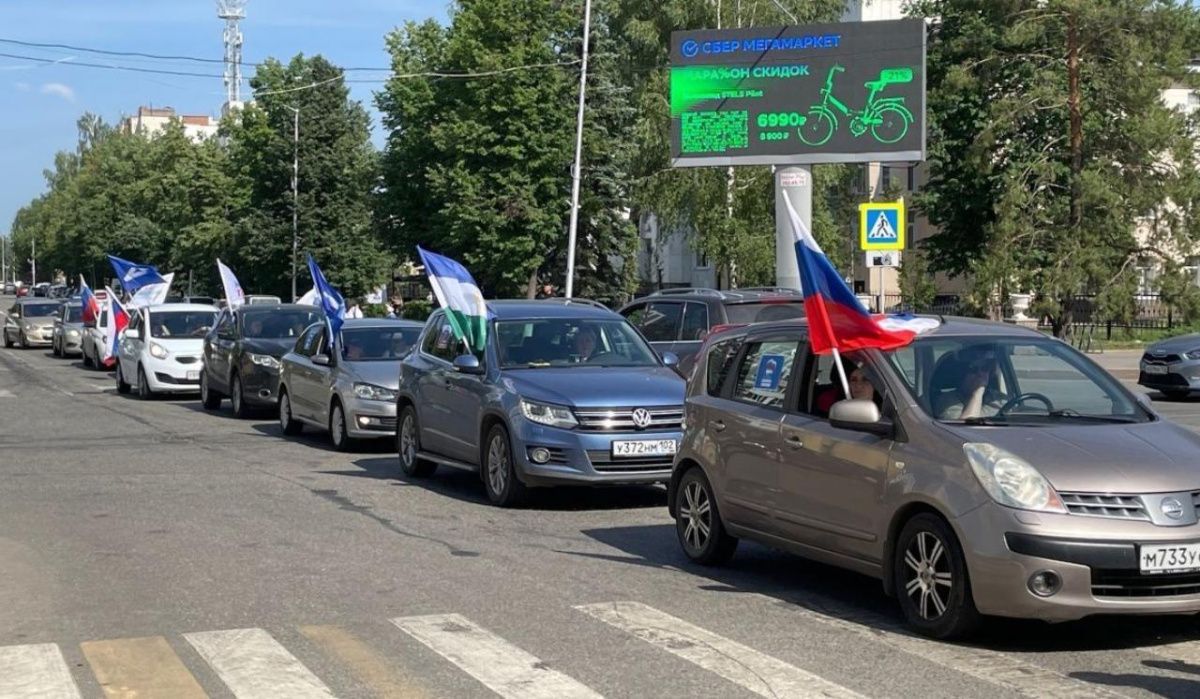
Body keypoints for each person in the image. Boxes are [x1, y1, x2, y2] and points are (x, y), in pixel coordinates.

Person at [936, 347, 1007, 420]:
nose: (980, 374)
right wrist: (978, 391)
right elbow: (965, 426)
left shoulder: (999, 399)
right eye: (973, 369)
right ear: (962, 374)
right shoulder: (947, 400)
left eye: (985, 368)